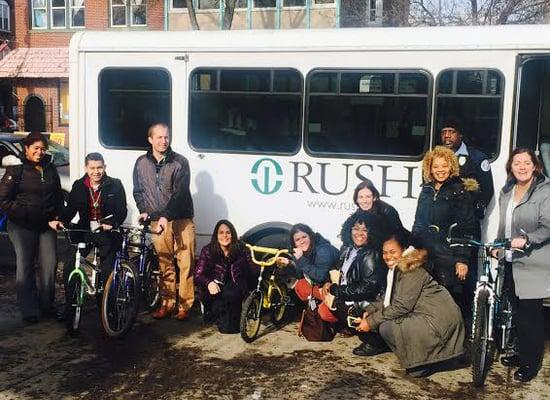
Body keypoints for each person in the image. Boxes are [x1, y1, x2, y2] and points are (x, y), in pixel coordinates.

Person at [353, 234, 465, 378]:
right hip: (428, 317)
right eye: (384, 252)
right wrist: (369, 311)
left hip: (438, 322)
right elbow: (389, 297)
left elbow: (401, 306)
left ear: (404, 250)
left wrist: (370, 322)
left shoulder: (411, 270)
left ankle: (432, 361)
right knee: (384, 323)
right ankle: (426, 359)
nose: (387, 256)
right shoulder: (397, 269)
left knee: (387, 327)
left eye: (392, 252)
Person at [496, 148, 550, 382]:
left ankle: (530, 363)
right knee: (516, 314)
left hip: (533, 263)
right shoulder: (507, 190)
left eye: (526, 162)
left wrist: (527, 239)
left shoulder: (544, 190)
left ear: (535, 165)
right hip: (510, 260)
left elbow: (548, 226)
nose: (522, 167)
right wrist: (497, 245)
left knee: (530, 317)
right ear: (511, 166)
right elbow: (503, 225)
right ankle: (520, 353)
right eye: (517, 163)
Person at [133, 122, 195, 321]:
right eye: (159, 137)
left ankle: (185, 304)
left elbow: (180, 194)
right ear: (150, 139)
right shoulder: (141, 163)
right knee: (164, 262)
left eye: (166, 137)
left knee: (185, 262)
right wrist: (143, 210)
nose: (163, 141)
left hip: (181, 218)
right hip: (157, 220)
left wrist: (165, 216)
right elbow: (138, 191)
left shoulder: (180, 162)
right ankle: (167, 303)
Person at [0, 132, 63, 323]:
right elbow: (3, 200)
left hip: (46, 225)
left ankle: (46, 305)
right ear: (26, 149)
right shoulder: (16, 170)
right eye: (36, 148)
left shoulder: (50, 168)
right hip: (21, 226)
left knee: (49, 264)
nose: (40, 152)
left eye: (43, 149)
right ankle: (29, 310)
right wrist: (27, 213)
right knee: (26, 265)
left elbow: (58, 196)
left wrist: (58, 215)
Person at [49, 153, 127, 305]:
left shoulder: (115, 184)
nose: (96, 171)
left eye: (99, 167)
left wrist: (112, 222)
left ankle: (107, 305)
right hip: (85, 231)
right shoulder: (79, 185)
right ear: (86, 168)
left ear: (104, 167)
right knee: (71, 265)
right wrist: (59, 221)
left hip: (107, 231)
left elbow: (121, 210)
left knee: (107, 269)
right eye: (92, 168)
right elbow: (70, 208)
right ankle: (70, 305)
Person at [411, 146, 476, 323]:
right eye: (436, 166)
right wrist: (413, 247)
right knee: (428, 299)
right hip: (427, 252)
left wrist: (462, 259)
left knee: (452, 301)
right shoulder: (426, 190)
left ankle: (457, 342)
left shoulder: (460, 191)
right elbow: (419, 222)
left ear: (452, 167)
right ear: (430, 168)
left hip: (449, 254)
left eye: (444, 166)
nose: (440, 170)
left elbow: (466, 227)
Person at [318, 211, 386, 329]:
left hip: (362, 303)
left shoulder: (371, 254)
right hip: (346, 295)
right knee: (323, 308)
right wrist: (328, 282)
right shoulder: (348, 248)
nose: (359, 233)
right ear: (349, 230)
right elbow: (337, 268)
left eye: (365, 230)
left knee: (326, 310)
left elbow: (367, 289)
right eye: (356, 228)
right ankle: (349, 326)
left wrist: (336, 290)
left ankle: (369, 337)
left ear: (372, 233)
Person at [194, 220, 251, 333]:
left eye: (228, 232)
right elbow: (198, 274)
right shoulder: (207, 250)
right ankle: (209, 309)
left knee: (231, 328)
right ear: (216, 235)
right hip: (215, 288)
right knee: (221, 320)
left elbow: (252, 269)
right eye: (221, 232)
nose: (224, 236)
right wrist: (209, 282)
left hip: (235, 289)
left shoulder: (242, 249)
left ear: (233, 234)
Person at [440, 118, 494, 222]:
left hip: (467, 221)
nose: (447, 135)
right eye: (444, 132)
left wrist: (474, 212)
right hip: (441, 218)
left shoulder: (477, 158)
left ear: (460, 135)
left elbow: (487, 190)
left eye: (452, 132)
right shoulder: (435, 158)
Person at [277, 224, 339, 306]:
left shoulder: (323, 250)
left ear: (310, 236)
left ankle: (329, 306)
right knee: (300, 286)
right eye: (297, 239)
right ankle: (317, 306)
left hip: (337, 286)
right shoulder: (302, 252)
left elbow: (321, 277)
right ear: (294, 244)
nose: (302, 241)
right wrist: (289, 264)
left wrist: (301, 259)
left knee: (324, 313)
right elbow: (300, 275)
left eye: (304, 237)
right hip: (322, 284)